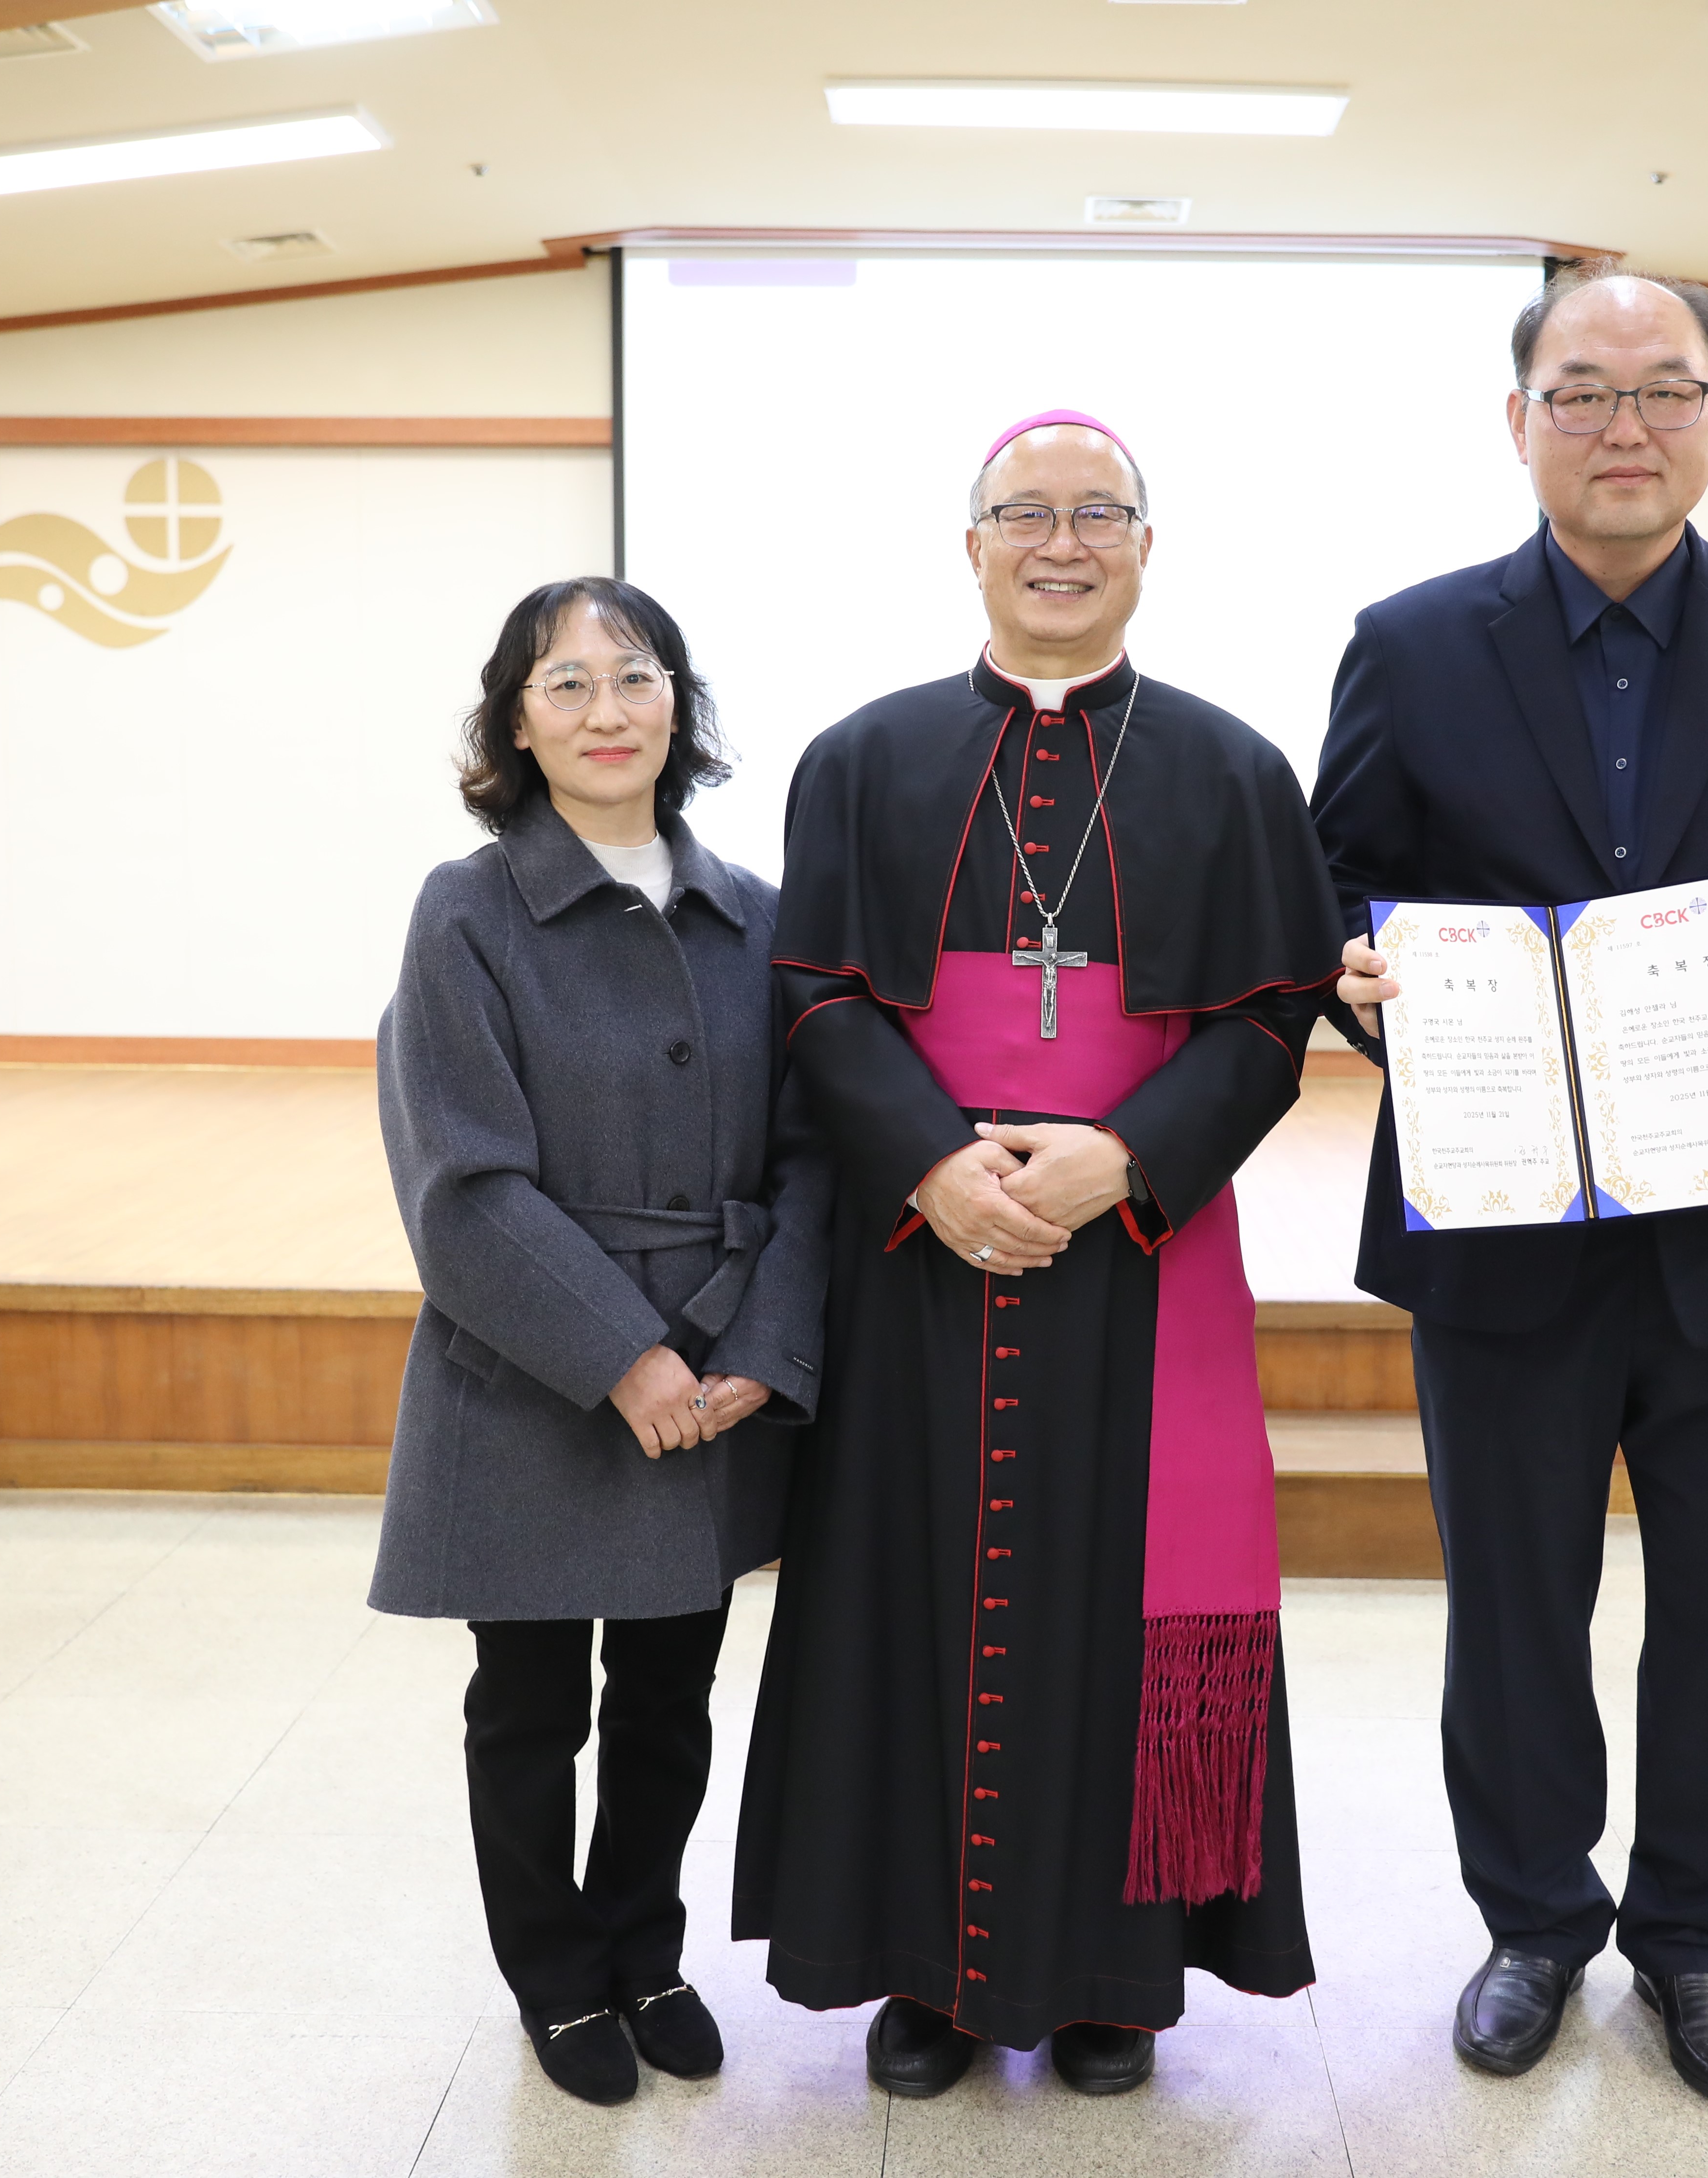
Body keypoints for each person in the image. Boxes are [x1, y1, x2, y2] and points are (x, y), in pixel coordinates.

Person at [1313, 264, 1708, 2101]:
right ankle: (1531, 1923)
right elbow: (1337, 895)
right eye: (1583, 392)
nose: (1625, 427)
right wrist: (1365, 980)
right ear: (1518, 418)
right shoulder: (1413, 642)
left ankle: (1696, 1944)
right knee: (1510, 1601)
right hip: (1501, 1229)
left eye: (1664, 391)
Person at [732, 412, 1345, 2098]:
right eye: (1026, 514)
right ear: (974, 544)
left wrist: (1118, 1161)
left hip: (1136, 1258)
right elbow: (818, 995)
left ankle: (1109, 1978)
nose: (1060, 542)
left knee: (1116, 1598)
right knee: (907, 1593)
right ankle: (919, 1971)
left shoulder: (1229, 770)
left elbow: (1274, 1011)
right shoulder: (864, 758)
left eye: (1097, 515)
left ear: (1148, 545)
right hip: (924, 1247)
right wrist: (935, 1166)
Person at [368, 576, 829, 2106]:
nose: (607, 711)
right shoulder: (469, 909)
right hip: (537, 1379)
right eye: (566, 685)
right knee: (530, 1702)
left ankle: (648, 1949)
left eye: (635, 679)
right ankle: (556, 1981)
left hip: (719, 1376)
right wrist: (625, 1357)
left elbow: (808, 1160)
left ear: (677, 706)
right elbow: (463, 1179)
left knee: (671, 1696)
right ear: (517, 721)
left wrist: (753, 1346)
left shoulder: (759, 915)